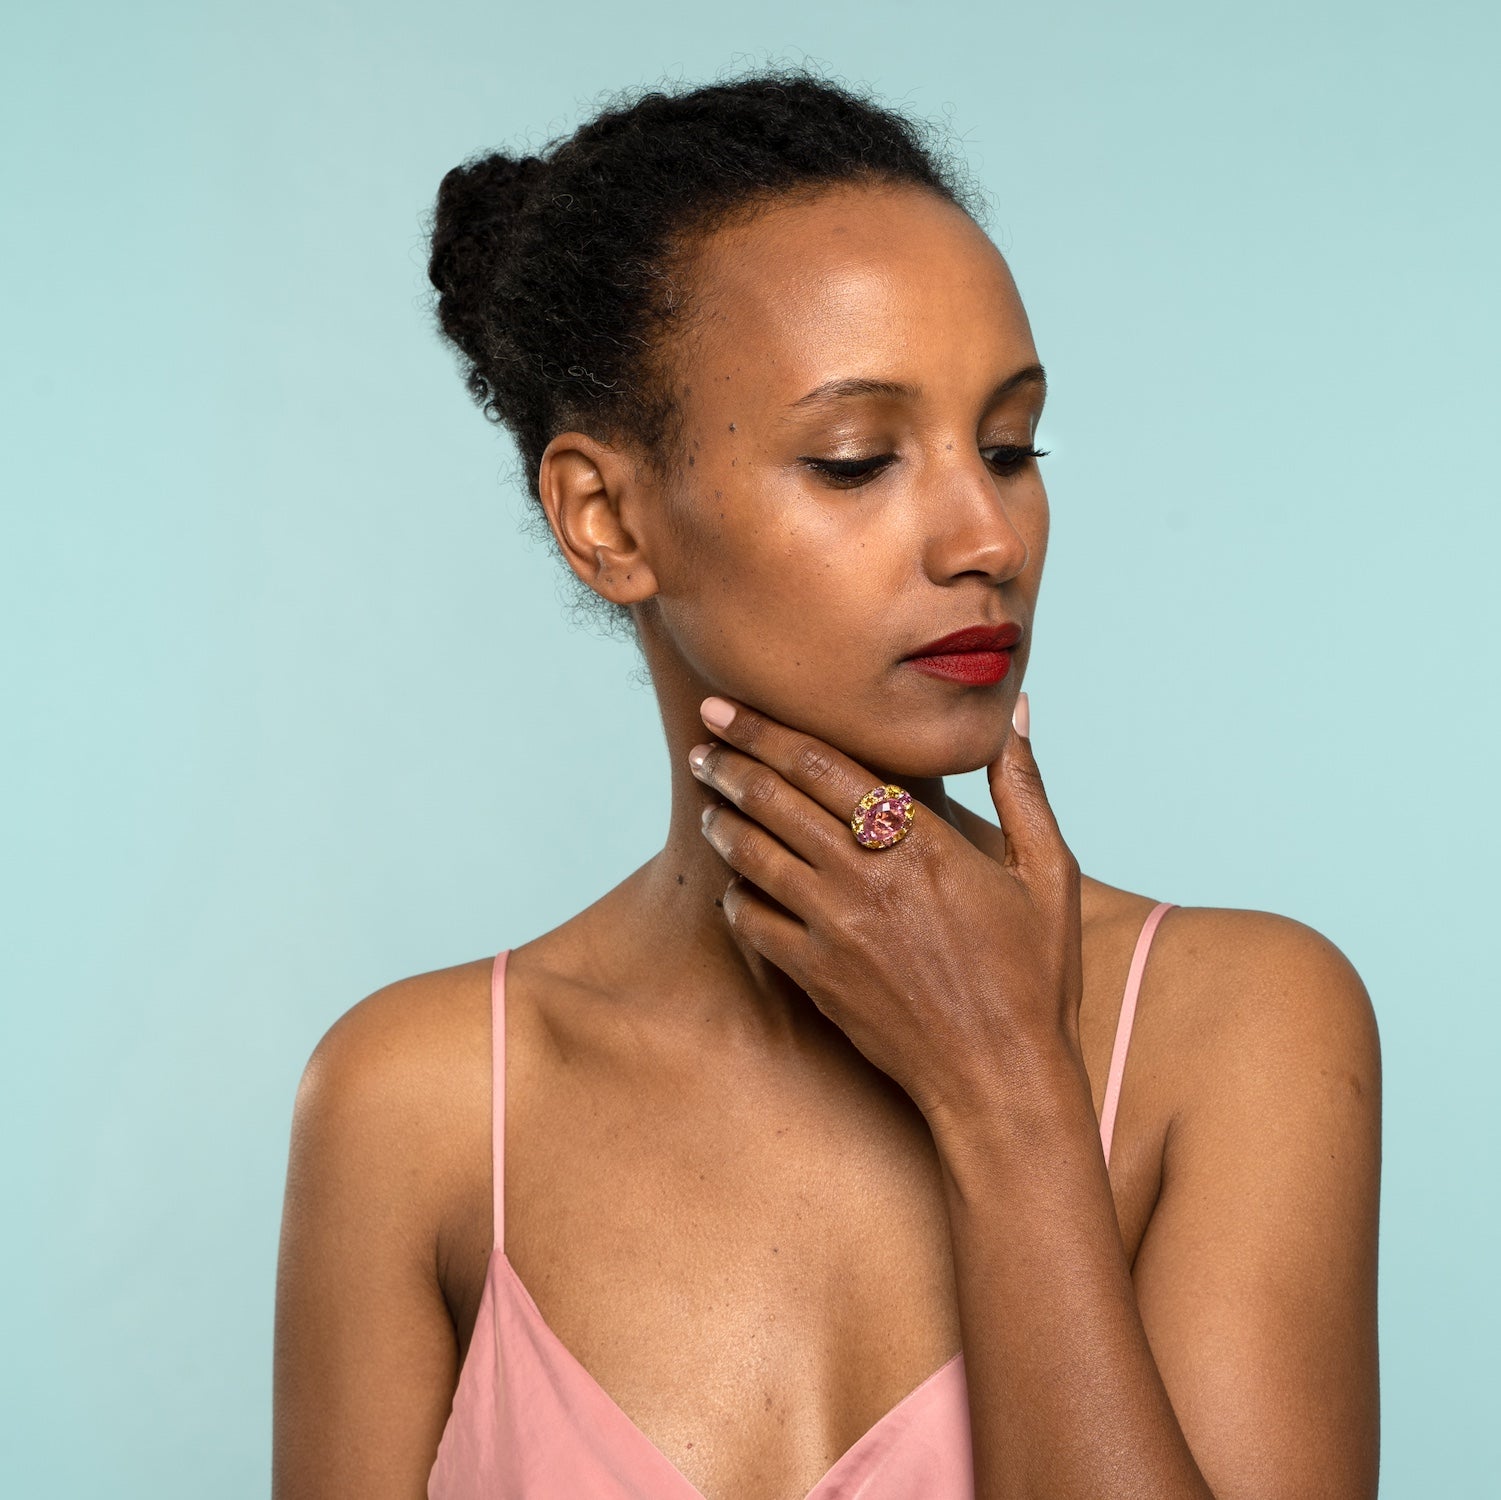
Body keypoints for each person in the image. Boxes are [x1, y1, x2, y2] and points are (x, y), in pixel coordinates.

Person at [271, 71, 1381, 1500]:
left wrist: (1007, 1096)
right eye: (857, 461)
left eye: (1008, 447)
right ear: (605, 519)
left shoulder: (1238, 1029)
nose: (985, 533)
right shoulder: (413, 1102)